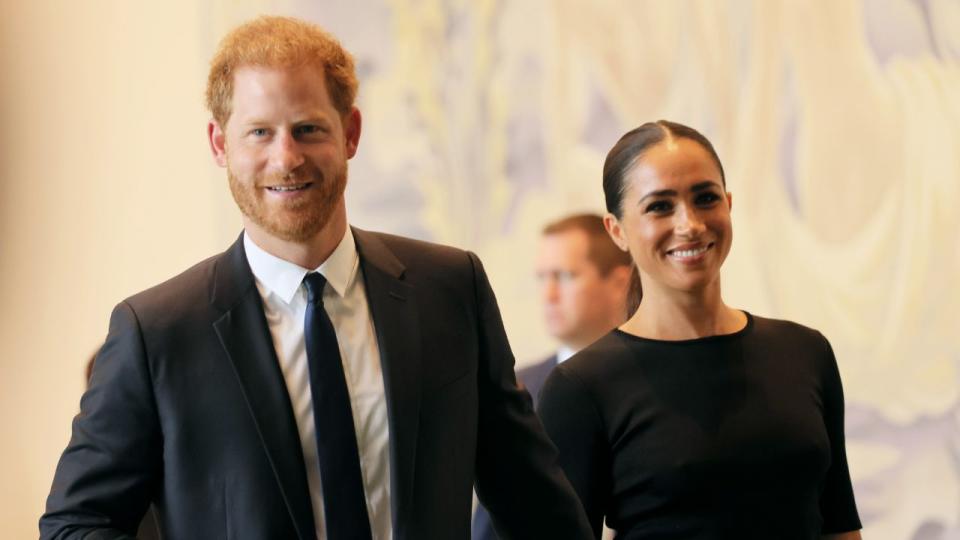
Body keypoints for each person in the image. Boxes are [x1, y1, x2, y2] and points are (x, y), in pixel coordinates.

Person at [40, 16, 592, 540]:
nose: (287, 159)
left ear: (350, 132)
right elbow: (74, 524)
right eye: (259, 132)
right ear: (219, 145)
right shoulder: (156, 332)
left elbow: (534, 503)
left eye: (307, 129)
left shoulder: (450, 289)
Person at [537, 120, 862, 539]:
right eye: (660, 206)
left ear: (728, 204)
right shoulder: (582, 387)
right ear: (617, 230)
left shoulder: (805, 352)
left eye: (705, 199)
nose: (689, 223)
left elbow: (839, 525)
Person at [472, 213, 633, 540]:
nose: (548, 295)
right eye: (542, 278)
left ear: (620, 282)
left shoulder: (650, 385)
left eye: (564, 276)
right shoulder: (514, 387)